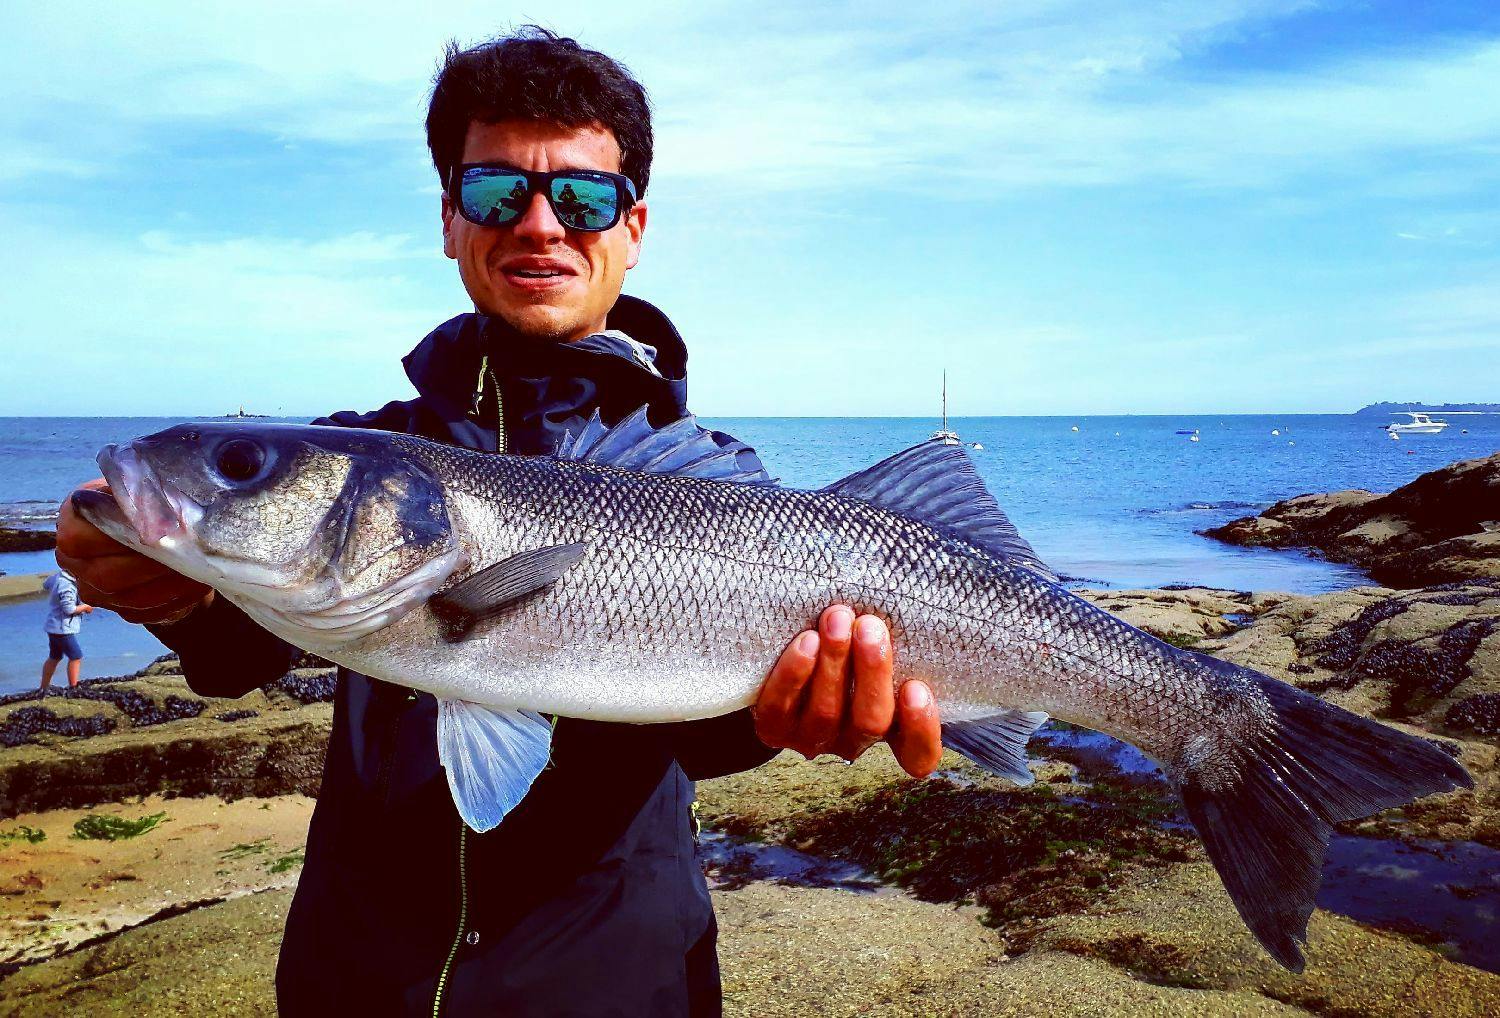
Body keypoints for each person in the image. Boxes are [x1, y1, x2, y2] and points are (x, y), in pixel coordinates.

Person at [54, 27, 943, 1017]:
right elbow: (240, 645)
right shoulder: (376, 446)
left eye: (581, 196)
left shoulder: (722, 486)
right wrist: (162, 596)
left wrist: (790, 719)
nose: (538, 223)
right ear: (449, 219)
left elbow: (711, 736)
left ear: (632, 225)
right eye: (494, 192)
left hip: (617, 986)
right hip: (354, 984)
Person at [40, 568, 91, 693]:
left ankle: (43, 687)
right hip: (63, 629)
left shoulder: (57, 577)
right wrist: (85, 607)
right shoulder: (67, 585)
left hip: (53, 626)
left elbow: (45, 584)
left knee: (55, 657)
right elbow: (68, 609)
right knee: (76, 656)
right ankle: (73, 687)